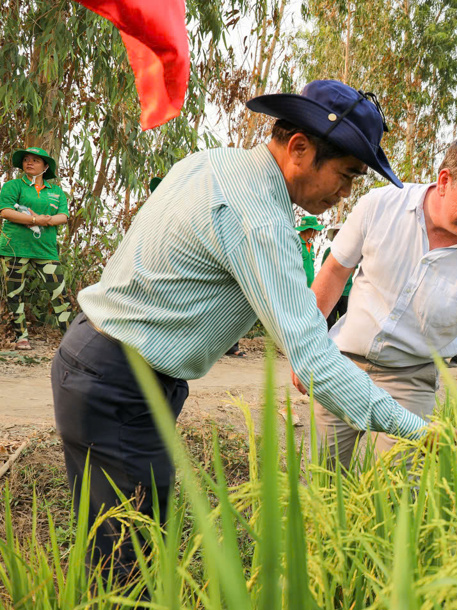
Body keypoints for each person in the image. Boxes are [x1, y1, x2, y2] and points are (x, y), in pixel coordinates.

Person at [51, 80, 431, 581]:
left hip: (95, 359)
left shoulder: (211, 163)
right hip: (120, 384)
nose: (345, 193)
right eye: (346, 175)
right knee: (132, 571)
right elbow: (315, 361)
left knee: (113, 548)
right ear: (300, 148)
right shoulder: (260, 219)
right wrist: (418, 431)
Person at [304, 131, 457, 470]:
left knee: (395, 494)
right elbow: (334, 273)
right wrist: (309, 348)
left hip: (409, 380)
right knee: (322, 475)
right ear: (444, 180)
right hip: (342, 365)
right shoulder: (380, 206)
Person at [0, 147, 72, 350]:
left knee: (59, 293)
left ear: (45, 166)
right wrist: (33, 219)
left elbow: (64, 216)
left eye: (35, 160)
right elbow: (5, 211)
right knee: (15, 294)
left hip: (45, 250)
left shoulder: (56, 191)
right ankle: (21, 337)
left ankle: (70, 339)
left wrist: (45, 221)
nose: (29, 163)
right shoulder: (13, 186)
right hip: (14, 248)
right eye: (26, 160)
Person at [320, 224, 352, 329]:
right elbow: (325, 271)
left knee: (345, 322)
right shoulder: (329, 251)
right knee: (330, 321)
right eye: (336, 234)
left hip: (346, 292)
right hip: (332, 292)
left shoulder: (351, 251)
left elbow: (353, 269)